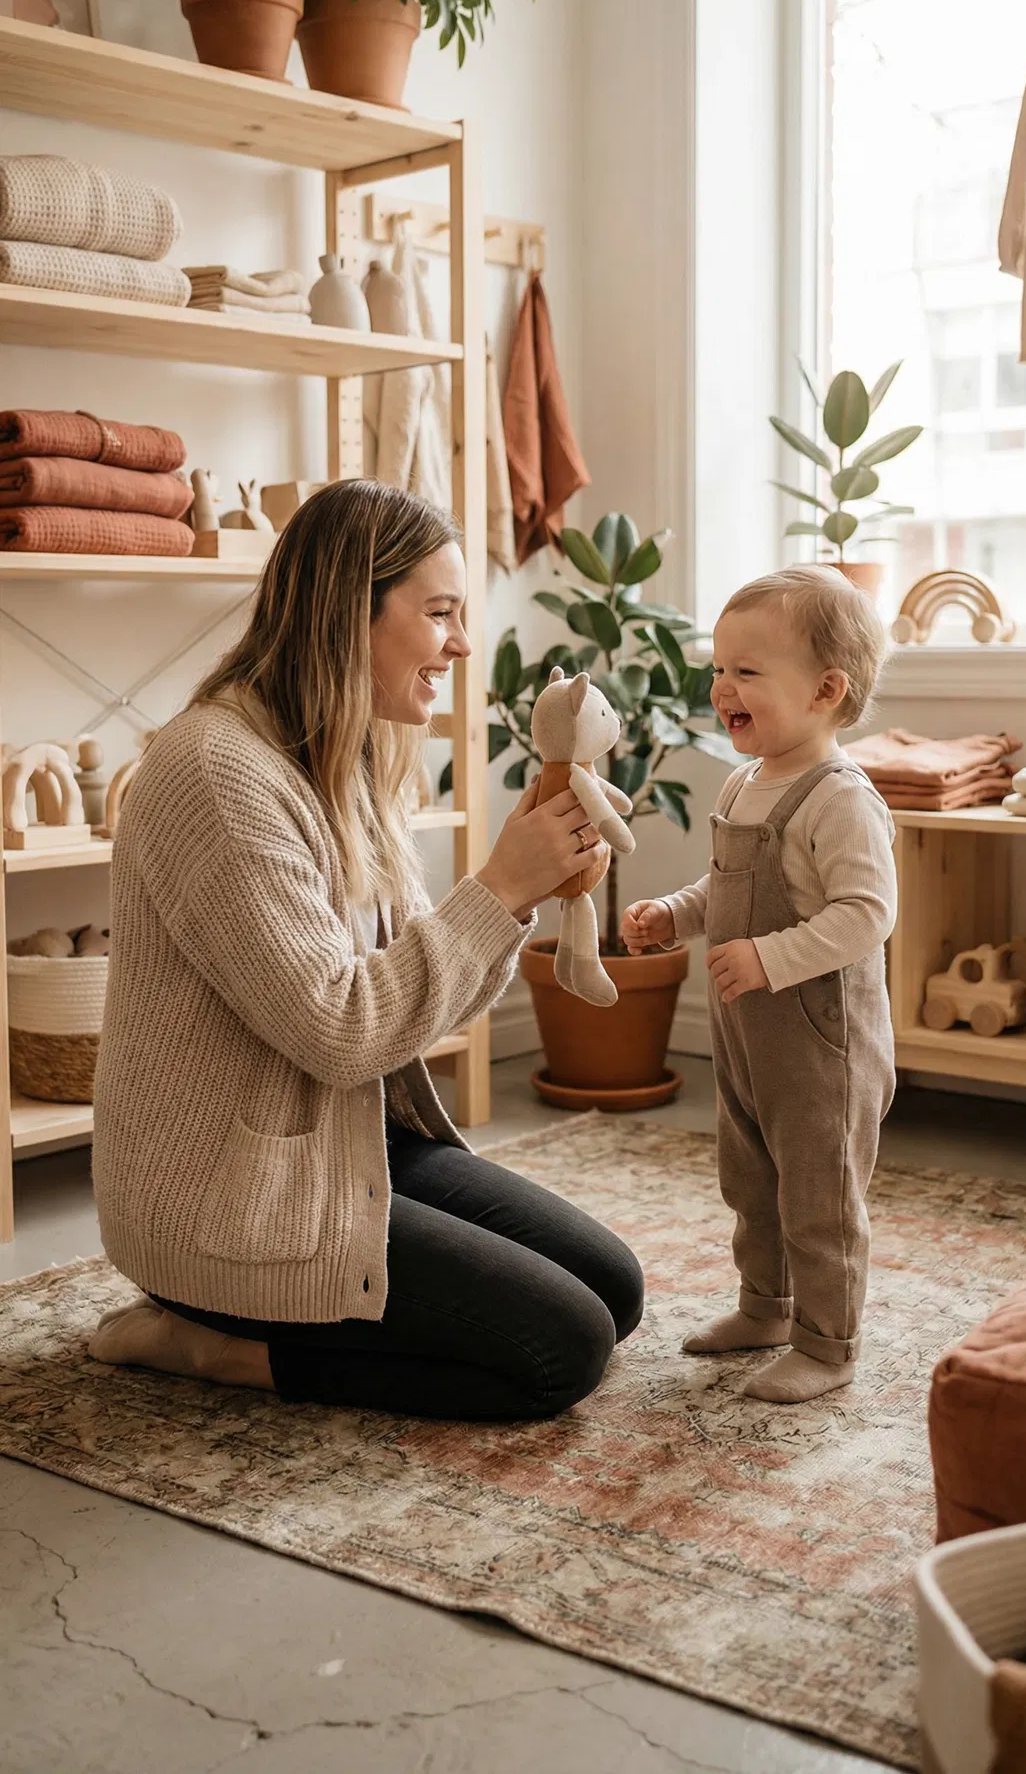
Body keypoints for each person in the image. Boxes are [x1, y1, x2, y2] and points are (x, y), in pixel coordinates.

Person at [89, 479, 643, 1419]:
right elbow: (343, 1031)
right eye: (440, 614)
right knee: (560, 1352)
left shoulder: (346, 753)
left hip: (344, 1139)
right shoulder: (216, 774)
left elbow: (409, 1003)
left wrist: (516, 898)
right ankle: (213, 1348)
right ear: (351, 614)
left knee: (614, 1289)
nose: (463, 644)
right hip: (221, 1196)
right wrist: (499, 888)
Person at [622, 566, 895, 1404]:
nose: (720, 686)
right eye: (718, 667)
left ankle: (829, 1341)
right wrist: (676, 913)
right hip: (748, 1038)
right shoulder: (744, 783)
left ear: (825, 690)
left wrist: (772, 958)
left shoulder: (839, 801)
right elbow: (726, 889)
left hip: (821, 1042)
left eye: (746, 671)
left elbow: (866, 914)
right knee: (752, 1180)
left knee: (819, 1192)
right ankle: (766, 1307)